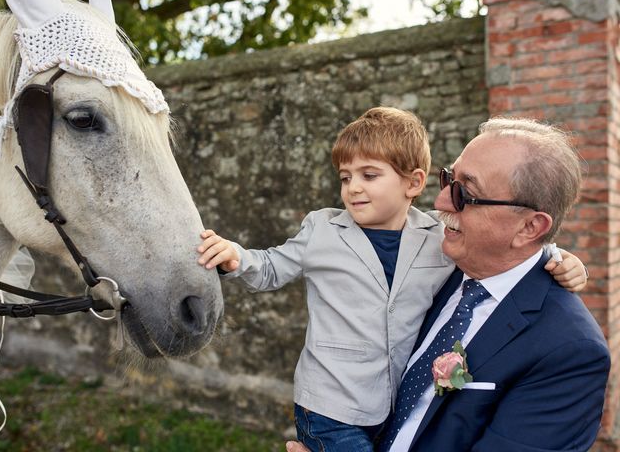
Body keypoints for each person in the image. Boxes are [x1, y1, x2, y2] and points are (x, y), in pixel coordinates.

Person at [197, 110, 588, 452]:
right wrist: (237, 257)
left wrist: (560, 258)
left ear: (414, 183)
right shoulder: (322, 229)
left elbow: (518, 245)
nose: (353, 187)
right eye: (345, 176)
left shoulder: (438, 236)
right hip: (330, 406)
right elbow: (271, 267)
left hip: (387, 402)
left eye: (369, 175)